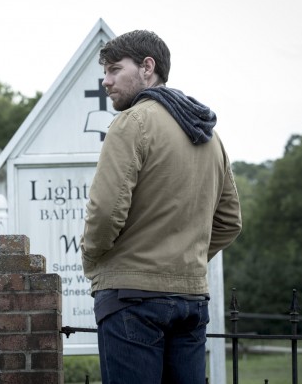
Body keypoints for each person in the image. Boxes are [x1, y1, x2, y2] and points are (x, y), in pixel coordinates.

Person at [80, 30, 242, 383]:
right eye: (105, 72)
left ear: (147, 67)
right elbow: (230, 221)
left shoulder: (131, 123)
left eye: (114, 69)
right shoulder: (209, 135)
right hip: (191, 299)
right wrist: (184, 259)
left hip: (131, 298)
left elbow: (105, 212)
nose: (106, 81)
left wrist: (92, 259)